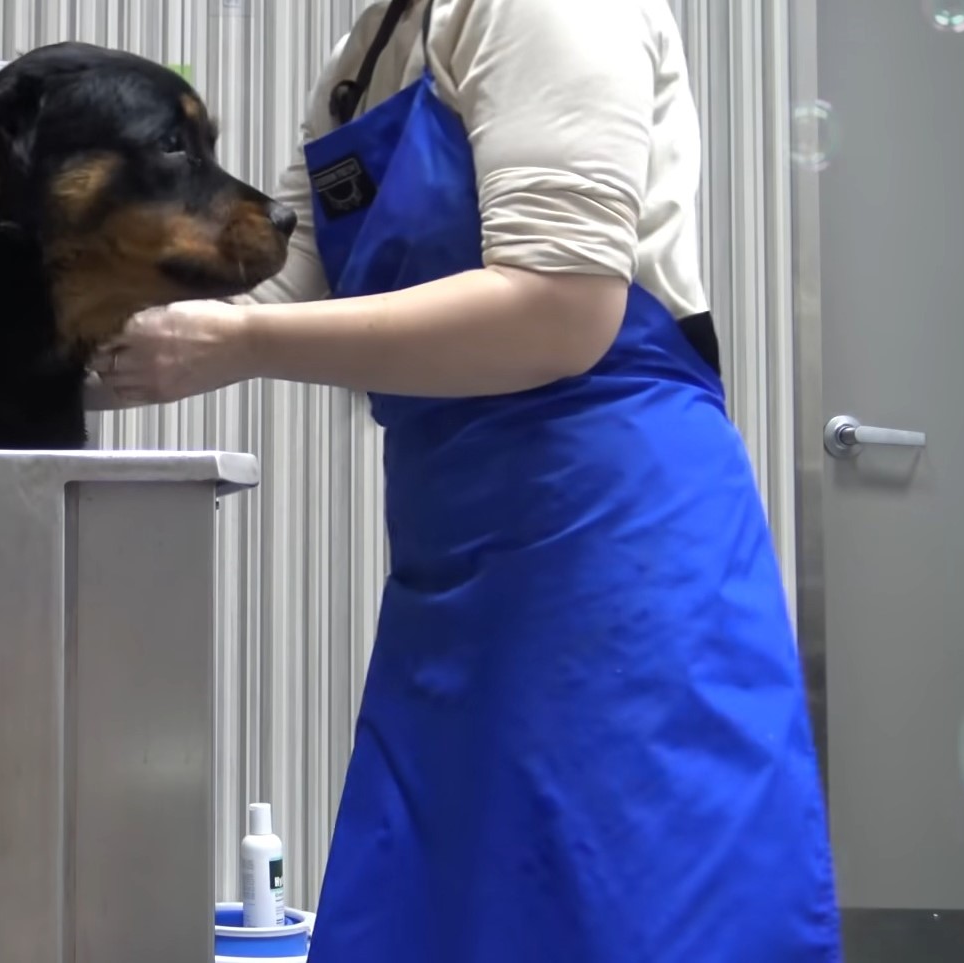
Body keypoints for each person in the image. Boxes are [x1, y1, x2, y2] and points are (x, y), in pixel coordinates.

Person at [91, 0, 843, 960]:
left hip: (612, 561)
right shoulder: (363, 57)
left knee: (623, 919)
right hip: (451, 576)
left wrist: (235, 344)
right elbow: (278, 283)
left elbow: (558, 306)